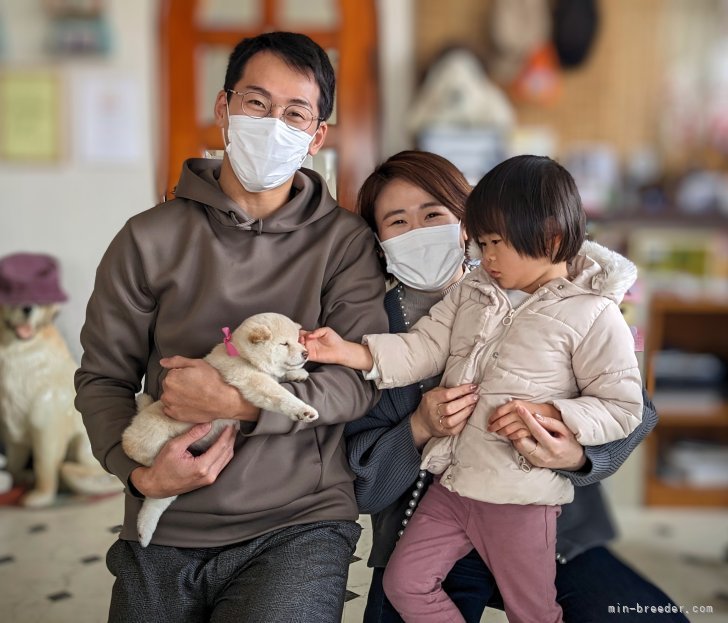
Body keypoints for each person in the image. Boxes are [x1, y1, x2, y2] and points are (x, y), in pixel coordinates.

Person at [74, 32, 388, 623]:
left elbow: (360, 383)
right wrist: (139, 473)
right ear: (223, 109)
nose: (274, 125)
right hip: (167, 513)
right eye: (257, 104)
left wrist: (242, 404)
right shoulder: (148, 238)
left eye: (296, 113)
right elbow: (102, 377)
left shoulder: (345, 244)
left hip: (300, 520)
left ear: (317, 135)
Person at [343, 150, 689, 623]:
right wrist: (419, 427)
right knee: (406, 591)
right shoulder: (367, 329)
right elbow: (361, 484)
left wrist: (576, 454)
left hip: (546, 522)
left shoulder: (551, 289)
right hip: (431, 525)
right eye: (398, 221)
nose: (420, 232)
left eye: (433, 215)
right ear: (378, 239)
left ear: (466, 220)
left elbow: (632, 407)